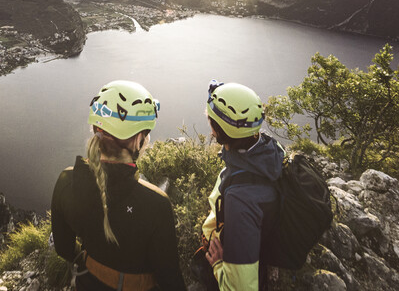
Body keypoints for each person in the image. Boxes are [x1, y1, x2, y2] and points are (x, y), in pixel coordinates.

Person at [51, 80, 186, 291]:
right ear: (137, 140)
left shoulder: (66, 181)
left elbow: (64, 249)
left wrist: (93, 263)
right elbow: (171, 281)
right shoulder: (156, 204)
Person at [200, 80, 284, 291]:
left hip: (234, 253)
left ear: (218, 131)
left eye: (210, 121)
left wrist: (219, 265)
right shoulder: (269, 149)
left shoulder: (240, 200)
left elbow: (242, 288)